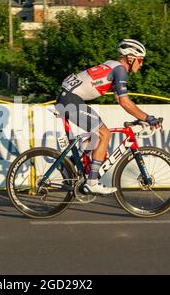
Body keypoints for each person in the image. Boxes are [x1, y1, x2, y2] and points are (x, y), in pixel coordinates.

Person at [55, 39, 161, 195]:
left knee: (97, 135)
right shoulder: (120, 70)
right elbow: (125, 102)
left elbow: (120, 99)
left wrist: (140, 117)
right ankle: (92, 182)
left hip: (68, 98)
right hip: (70, 100)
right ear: (130, 58)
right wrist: (149, 118)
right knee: (105, 133)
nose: (142, 64)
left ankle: (70, 163)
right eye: (140, 60)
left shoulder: (112, 65)